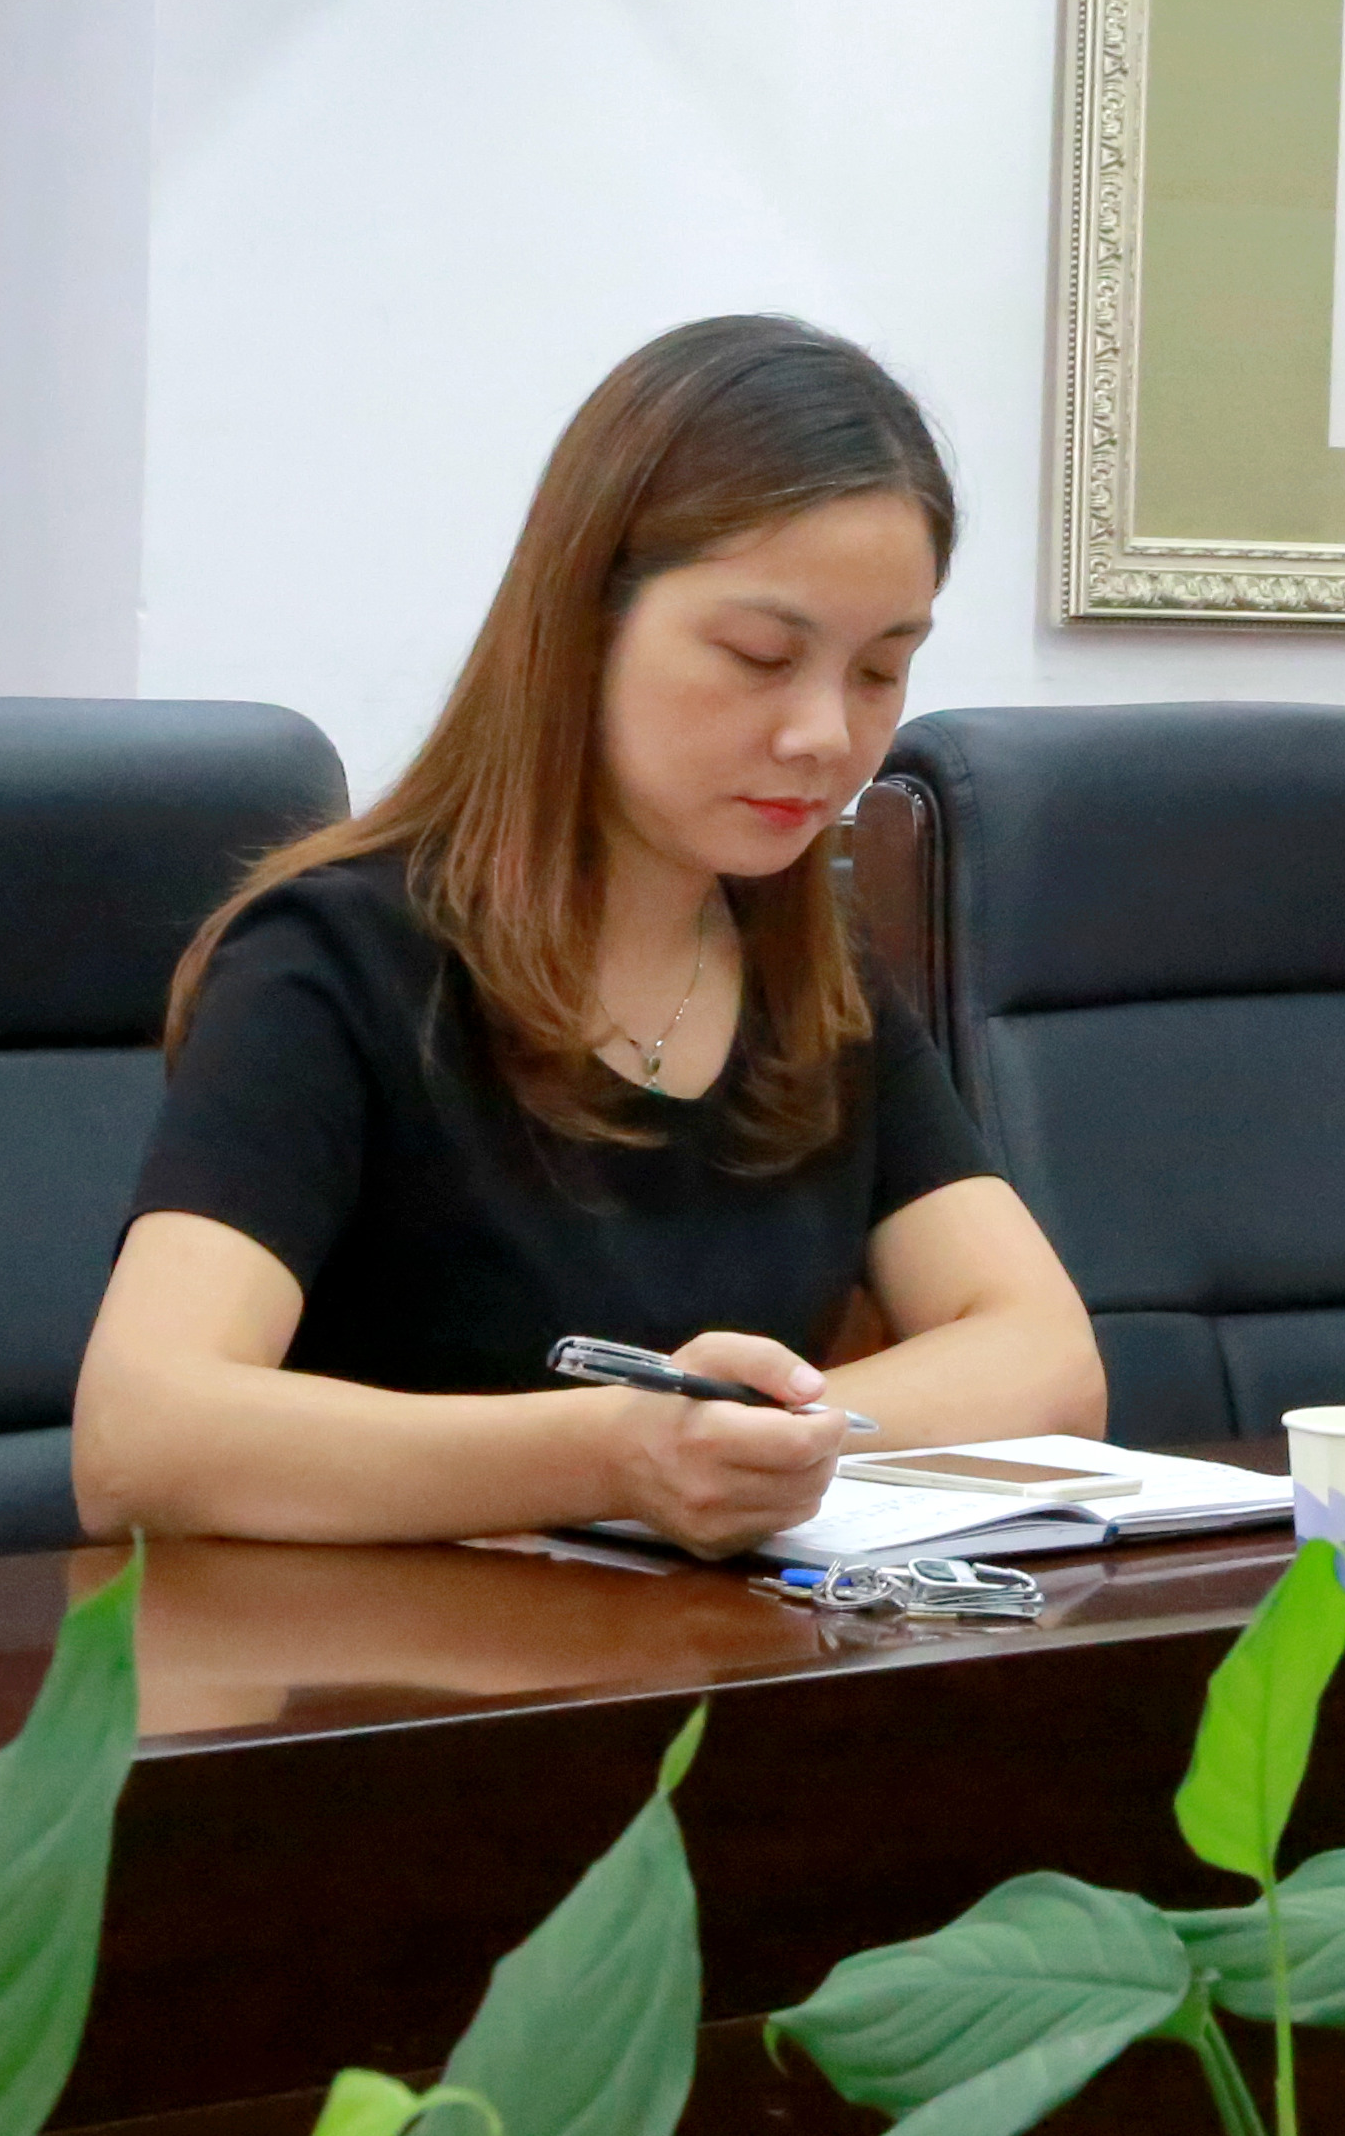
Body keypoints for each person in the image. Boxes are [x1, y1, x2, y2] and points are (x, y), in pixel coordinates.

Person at [76, 318, 1101, 1556]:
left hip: (707, 1652)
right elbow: (138, 1437)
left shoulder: (806, 968)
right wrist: (613, 1453)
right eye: (760, 656)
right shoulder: (334, 957)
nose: (825, 734)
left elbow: (1047, 1357)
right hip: (389, 1657)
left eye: (880, 671)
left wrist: (754, 1443)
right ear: (585, 619)